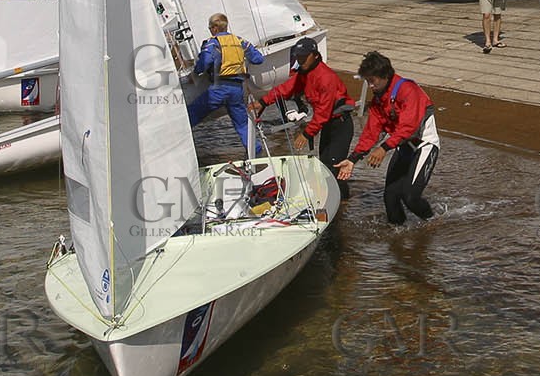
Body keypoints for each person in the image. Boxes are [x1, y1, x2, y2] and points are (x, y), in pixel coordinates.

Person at [335, 51, 440, 225]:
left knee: (410, 197)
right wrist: (353, 159)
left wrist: (384, 148)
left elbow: (408, 127)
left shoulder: (408, 90)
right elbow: (371, 133)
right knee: (390, 197)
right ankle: (397, 233)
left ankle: (432, 222)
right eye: (367, 81)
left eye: (372, 81)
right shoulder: (378, 100)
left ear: (384, 76)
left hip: (424, 146)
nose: (369, 85)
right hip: (403, 147)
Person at [253, 37, 355, 199]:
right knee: (325, 164)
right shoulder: (305, 73)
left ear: (315, 55)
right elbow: (287, 88)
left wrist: (307, 134)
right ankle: (333, 198)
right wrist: (263, 102)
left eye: (303, 56)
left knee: (334, 165)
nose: (300, 60)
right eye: (298, 57)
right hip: (328, 125)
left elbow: (323, 112)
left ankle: (342, 201)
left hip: (340, 125)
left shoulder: (325, 77)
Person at [187, 13, 266, 154]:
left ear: (216, 28)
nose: (210, 30)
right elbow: (258, 59)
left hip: (218, 88)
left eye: (210, 27)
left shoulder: (213, 42)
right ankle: (256, 152)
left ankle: (178, 146)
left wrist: (195, 72)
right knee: (242, 125)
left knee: (190, 115)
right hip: (237, 89)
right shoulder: (240, 41)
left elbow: (204, 62)